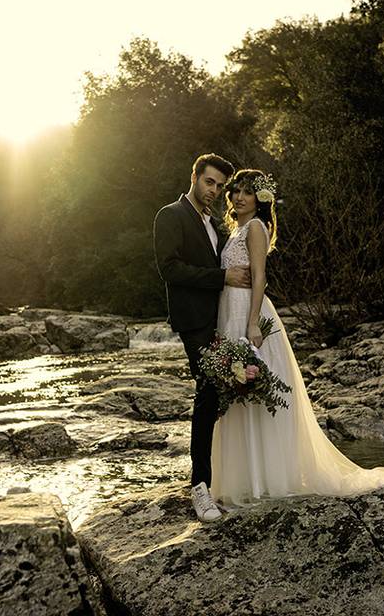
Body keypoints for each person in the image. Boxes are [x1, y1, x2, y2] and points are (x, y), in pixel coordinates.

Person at [210, 169, 384, 507]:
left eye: (247, 192)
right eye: (235, 191)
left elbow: (260, 278)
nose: (238, 197)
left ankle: (266, 478)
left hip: (249, 315)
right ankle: (245, 476)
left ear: (260, 200)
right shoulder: (236, 229)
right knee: (237, 394)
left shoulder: (255, 229)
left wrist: (252, 325)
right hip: (229, 313)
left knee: (255, 391)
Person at [153, 153, 251, 522]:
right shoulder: (170, 215)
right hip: (193, 321)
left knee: (224, 395)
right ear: (194, 176)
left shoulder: (215, 224)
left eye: (220, 186)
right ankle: (200, 488)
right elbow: (169, 269)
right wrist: (221, 279)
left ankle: (225, 477)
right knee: (208, 390)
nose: (214, 191)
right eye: (209, 182)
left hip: (223, 319)